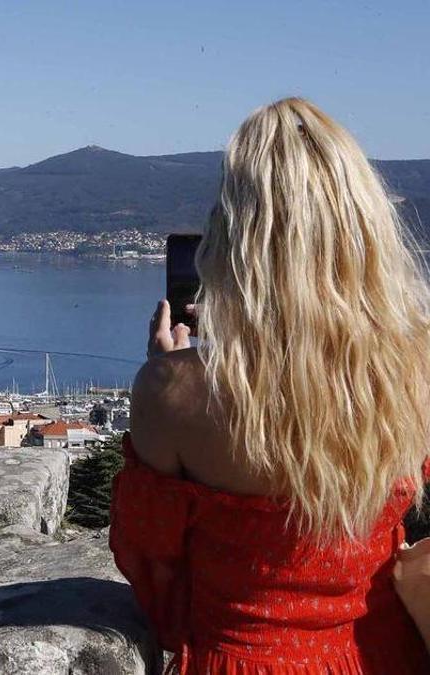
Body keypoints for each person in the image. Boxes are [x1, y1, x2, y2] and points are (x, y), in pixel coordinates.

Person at [110, 97, 430, 672]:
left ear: (233, 239)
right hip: (385, 652)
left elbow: (149, 562)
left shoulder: (174, 391)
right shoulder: (416, 365)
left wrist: (171, 371)